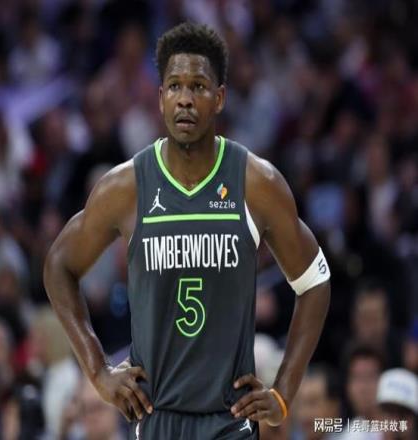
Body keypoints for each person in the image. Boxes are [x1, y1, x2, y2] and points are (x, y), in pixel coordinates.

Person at [44, 22, 331, 439]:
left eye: (198, 86)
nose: (185, 99)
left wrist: (284, 392)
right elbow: (58, 265)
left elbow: (315, 281)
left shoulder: (256, 183)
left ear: (220, 98)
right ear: (160, 97)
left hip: (229, 421)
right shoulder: (126, 187)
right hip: (156, 419)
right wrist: (98, 370)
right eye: (175, 86)